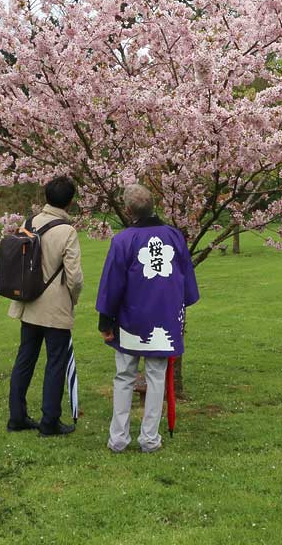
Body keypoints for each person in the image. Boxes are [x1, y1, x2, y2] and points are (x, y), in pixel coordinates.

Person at [95, 184, 199, 453]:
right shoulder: (174, 236)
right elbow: (186, 281)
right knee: (156, 377)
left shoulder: (123, 240)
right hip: (164, 318)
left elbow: (112, 284)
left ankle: (119, 438)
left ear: (128, 210)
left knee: (124, 376)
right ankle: (150, 438)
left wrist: (105, 320)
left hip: (131, 319)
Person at [6, 176, 84, 437]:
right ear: (70, 202)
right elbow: (75, 277)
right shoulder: (67, 231)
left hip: (28, 302)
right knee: (55, 363)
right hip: (55, 306)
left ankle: (17, 416)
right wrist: (73, 298)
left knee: (25, 359)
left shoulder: (29, 223)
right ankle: (50, 421)